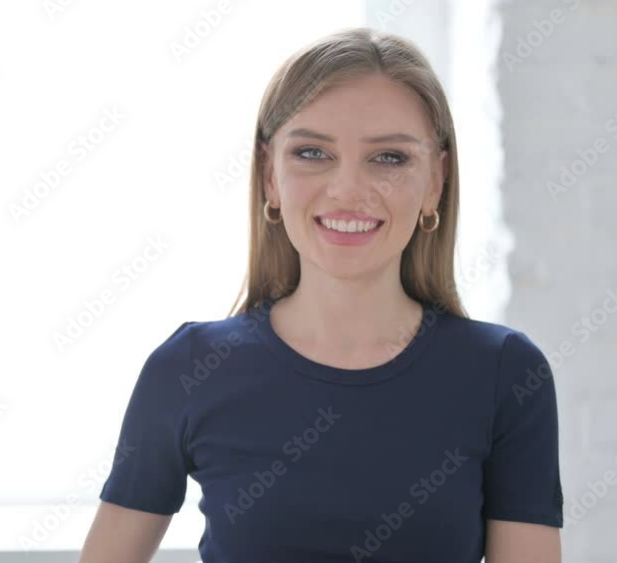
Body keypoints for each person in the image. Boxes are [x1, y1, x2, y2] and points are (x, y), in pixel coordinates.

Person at [79, 26, 563, 563]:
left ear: (436, 181)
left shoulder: (505, 375)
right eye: (312, 152)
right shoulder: (189, 368)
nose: (348, 191)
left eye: (389, 158)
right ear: (269, 175)